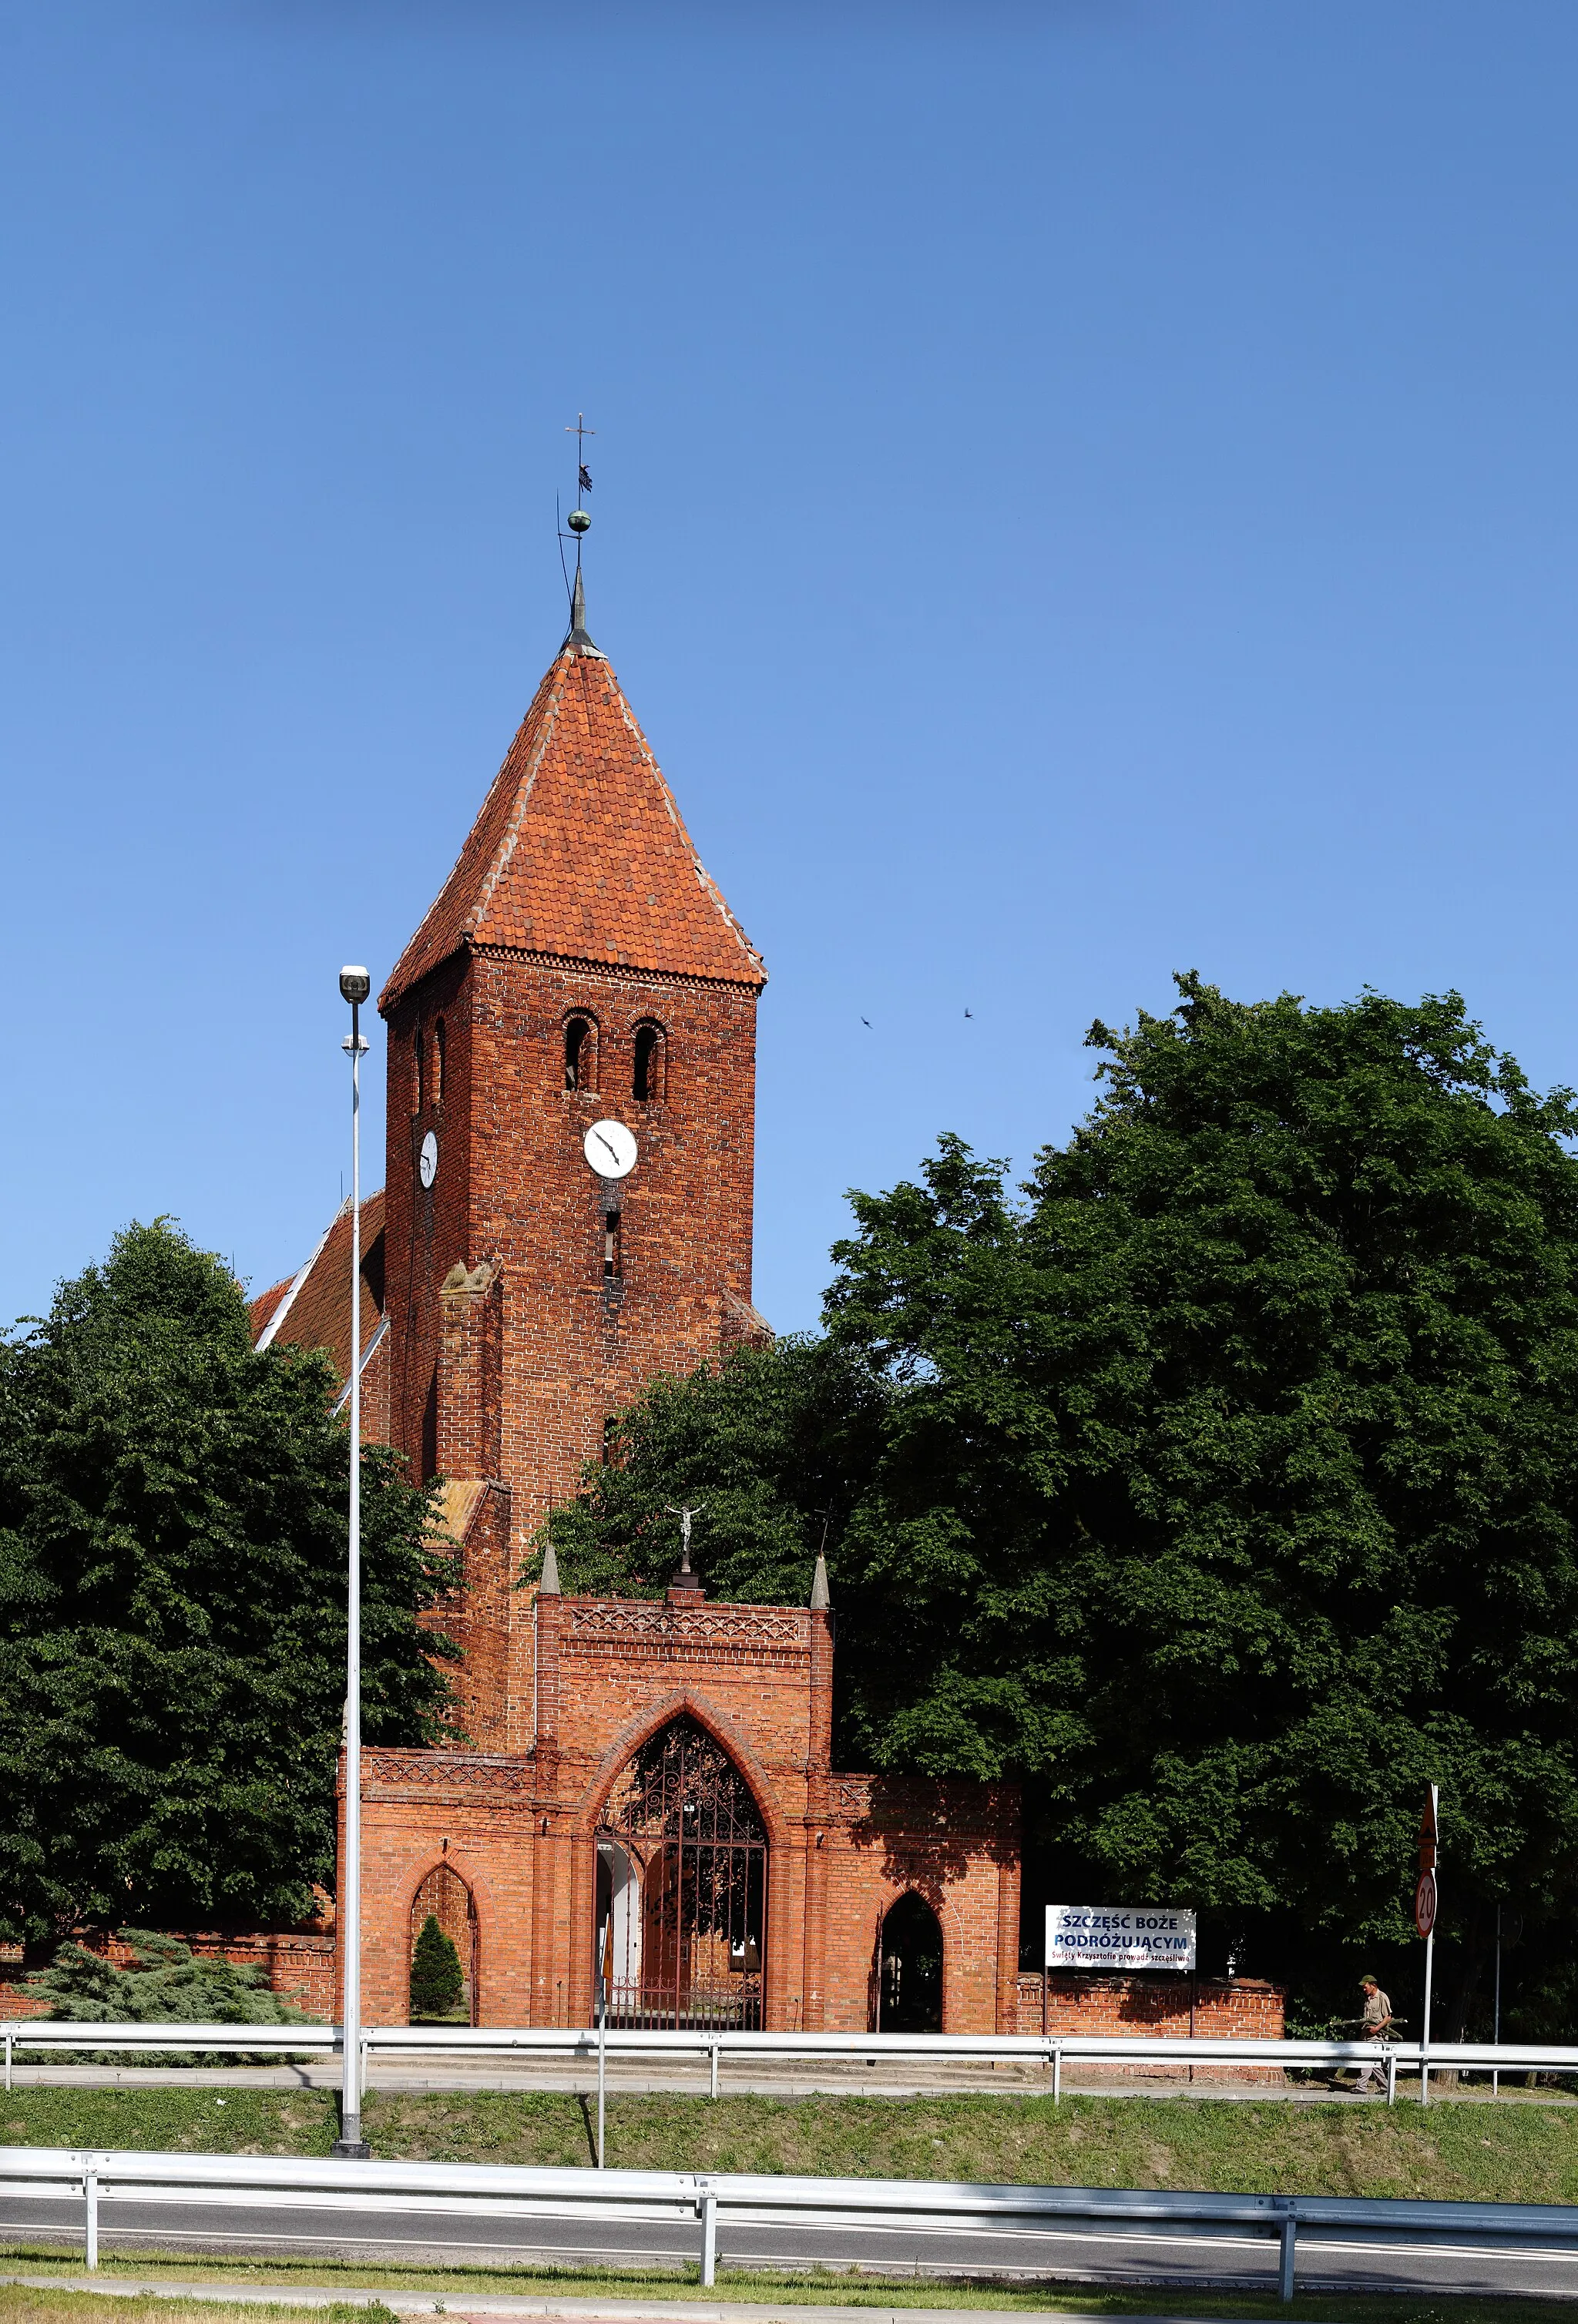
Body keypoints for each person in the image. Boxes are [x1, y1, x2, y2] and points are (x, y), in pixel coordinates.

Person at [1352, 1974, 1394, 2093]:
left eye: (1365, 1987)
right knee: (1374, 2063)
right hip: (1366, 2036)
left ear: (1373, 1985)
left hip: (1377, 2037)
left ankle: (1361, 2087)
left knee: (1368, 2060)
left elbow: (1388, 2017)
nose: (1364, 1989)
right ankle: (1385, 2088)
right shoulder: (1368, 1999)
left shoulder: (1382, 1997)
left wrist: (1376, 2029)